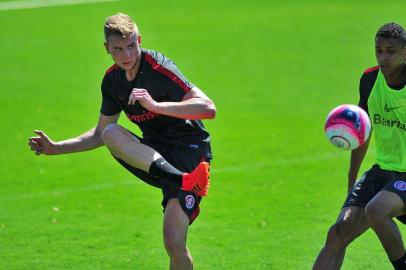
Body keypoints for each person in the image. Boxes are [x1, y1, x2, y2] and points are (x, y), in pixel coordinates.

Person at [28, 13, 216, 270]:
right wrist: (56, 148)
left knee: (173, 244)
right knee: (110, 133)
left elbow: (208, 108)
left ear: (139, 40)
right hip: (157, 157)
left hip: (189, 152)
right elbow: (99, 135)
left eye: (131, 46)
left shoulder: (158, 68)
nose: (127, 54)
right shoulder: (112, 82)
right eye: (118, 49)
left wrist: (156, 105)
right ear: (107, 49)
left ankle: (184, 179)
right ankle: (181, 181)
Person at [313, 22, 406, 270]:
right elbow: (361, 130)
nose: (383, 57)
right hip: (383, 171)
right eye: (378, 50)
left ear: (405, 53)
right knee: (338, 233)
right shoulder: (370, 79)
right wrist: (352, 179)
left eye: (391, 51)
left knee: (377, 210)